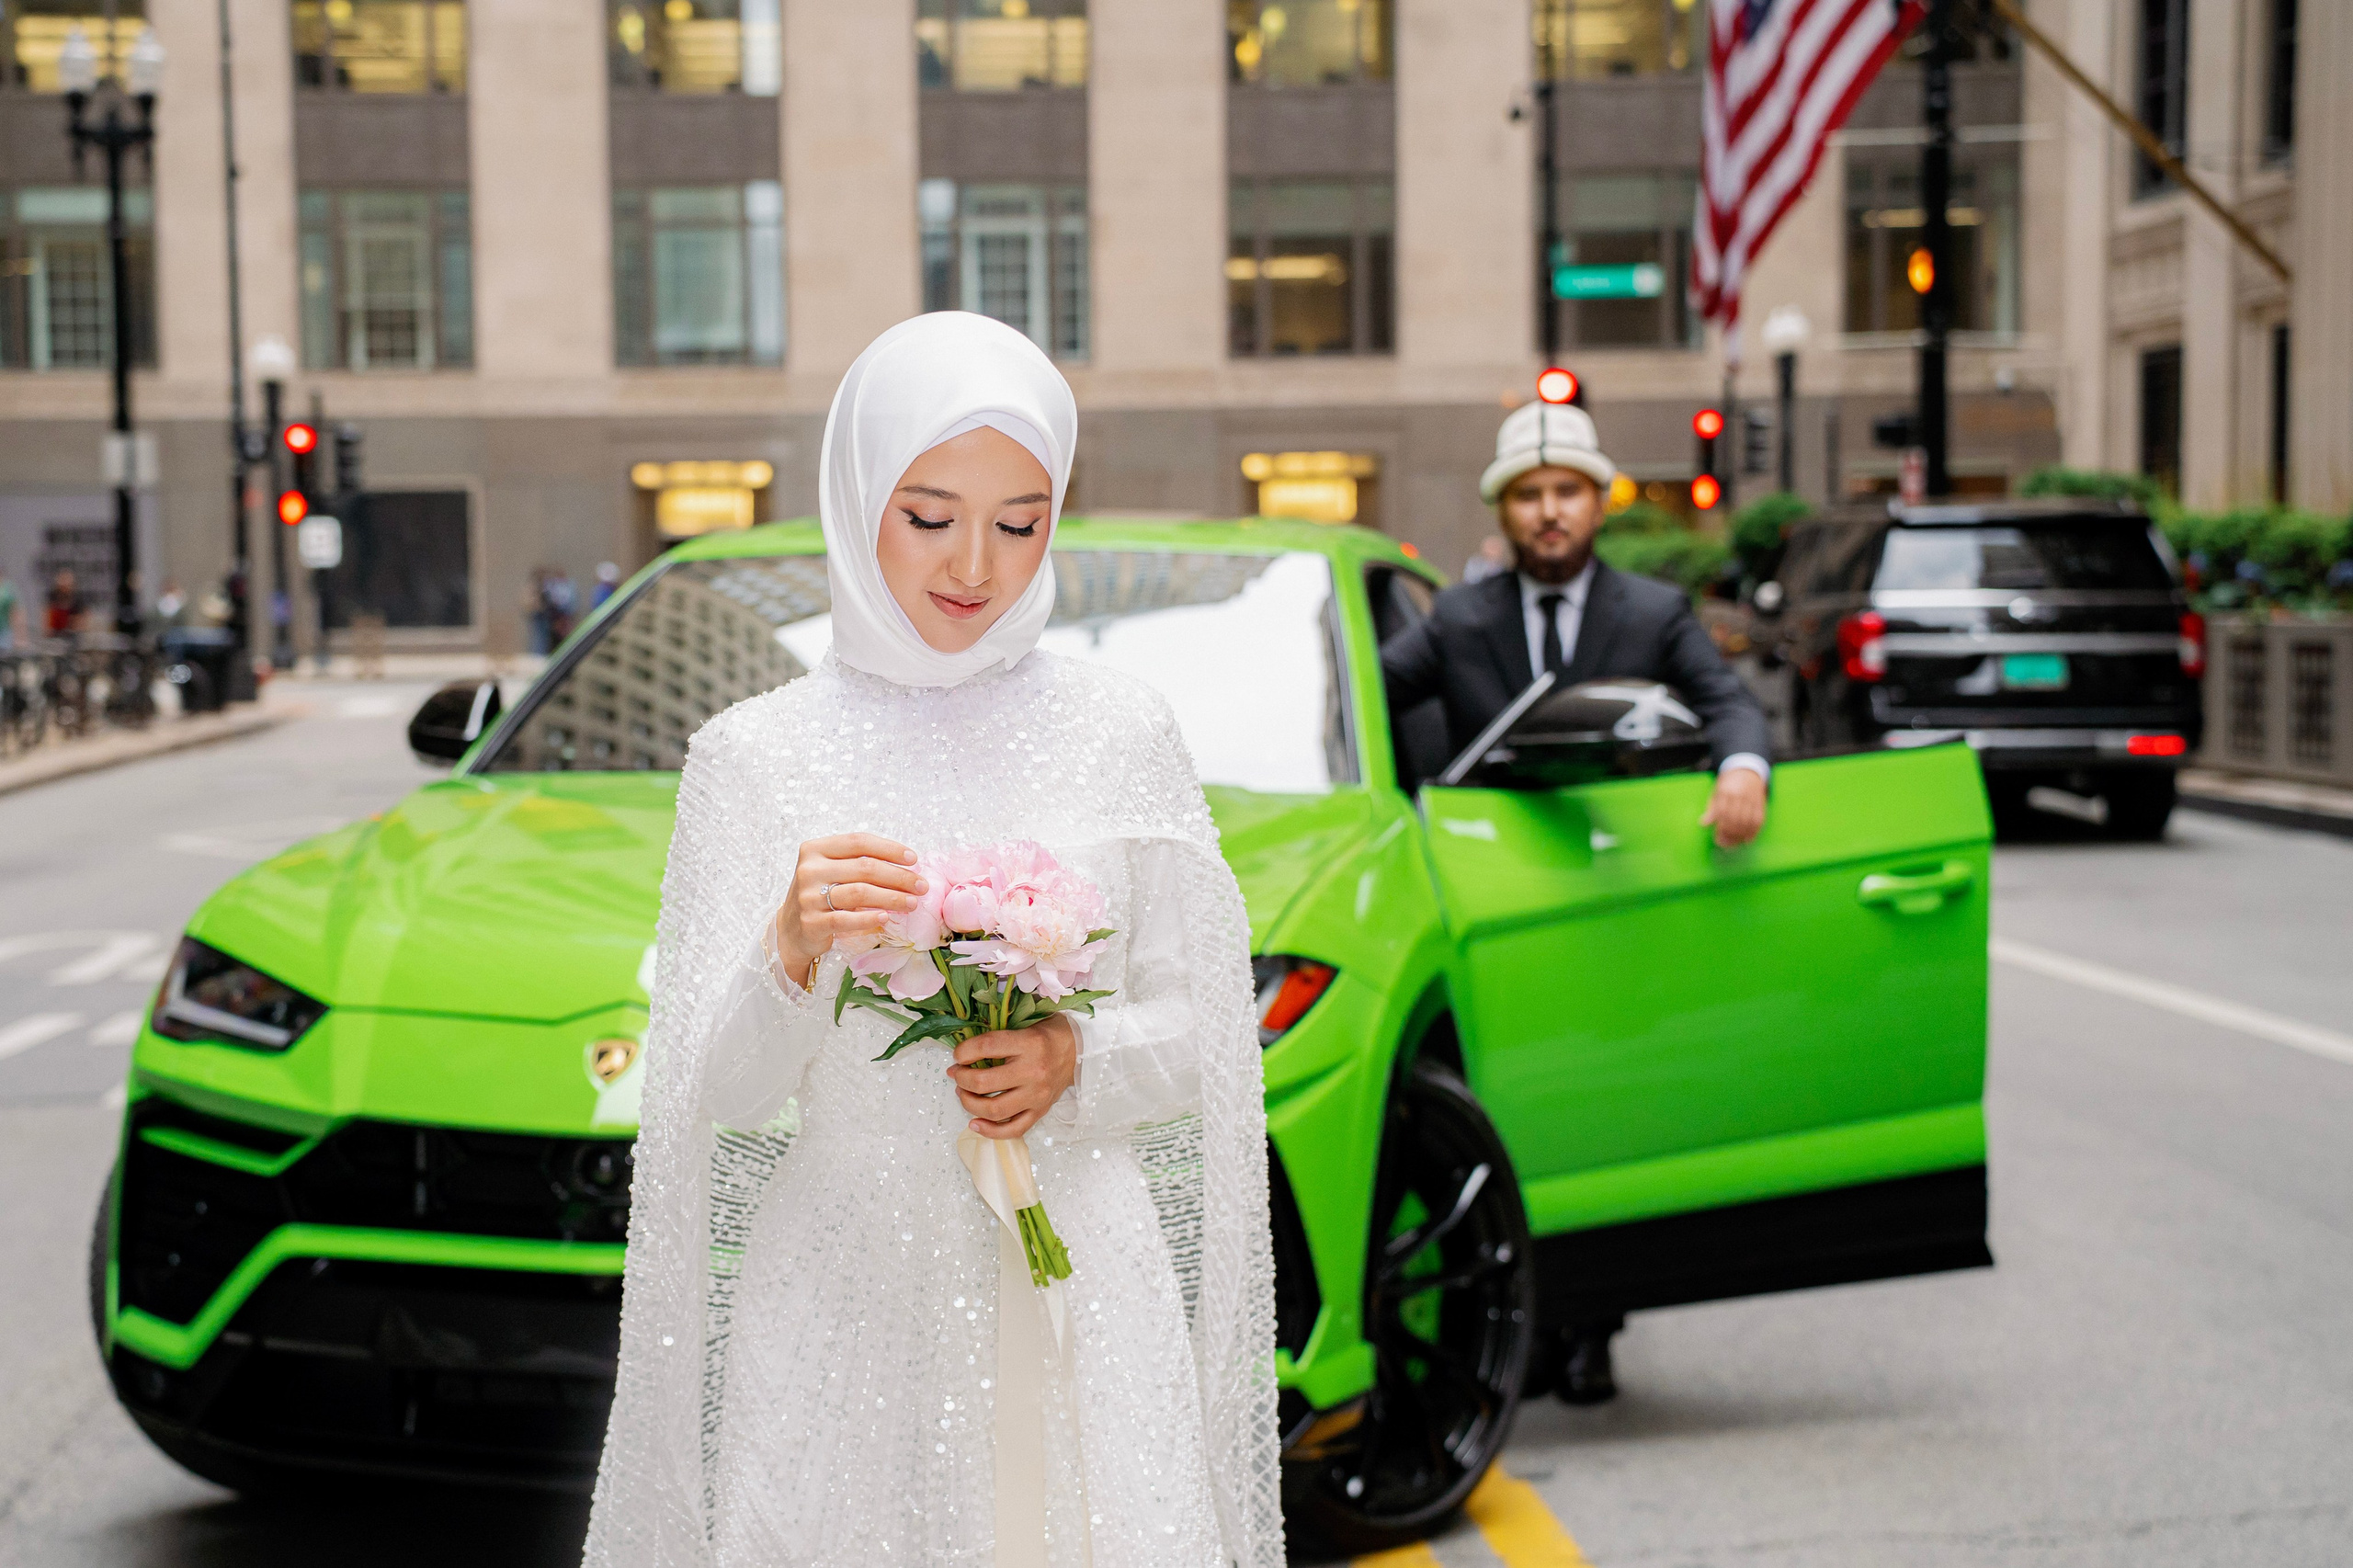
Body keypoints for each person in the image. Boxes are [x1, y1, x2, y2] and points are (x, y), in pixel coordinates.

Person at [582, 312, 1281, 1568]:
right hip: (847, 1291)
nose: (976, 563)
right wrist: (787, 949)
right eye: (928, 514)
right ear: (858, 501)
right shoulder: (755, 755)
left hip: (1080, 1278)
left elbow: (1208, 1035)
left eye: (1021, 521)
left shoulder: (1121, 730)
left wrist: (1078, 1057)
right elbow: (717, 1093)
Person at [1382, 398, 1772, 852]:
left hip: (1625, 860)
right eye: (1528, 495)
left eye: (1568, 491)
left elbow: (1728, 702)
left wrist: (1742, 770)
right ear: (1503, 512)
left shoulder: (1656, 611)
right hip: (1486, 862)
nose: (1549, 511)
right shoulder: (1457, 617)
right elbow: (1366, 693)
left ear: (1599, 505)